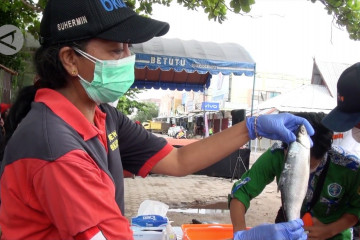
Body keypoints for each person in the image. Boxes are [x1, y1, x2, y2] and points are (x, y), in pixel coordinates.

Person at [0, 0, 315, 239]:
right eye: (115, 51)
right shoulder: (55, 148)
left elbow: (178, 160)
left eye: (128, 48)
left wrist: (251, 128)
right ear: (70, 59)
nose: (127, 59)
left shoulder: (103, 116)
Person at [229, 112, 360, 240]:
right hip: (287, 233)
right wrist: (240, 235)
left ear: (325, 152)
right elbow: (242, 192)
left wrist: (330, 230)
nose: (291, 159)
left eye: (308, 165)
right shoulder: (278, 154)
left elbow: (357, 208)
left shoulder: (349, 167)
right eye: (289, 155)